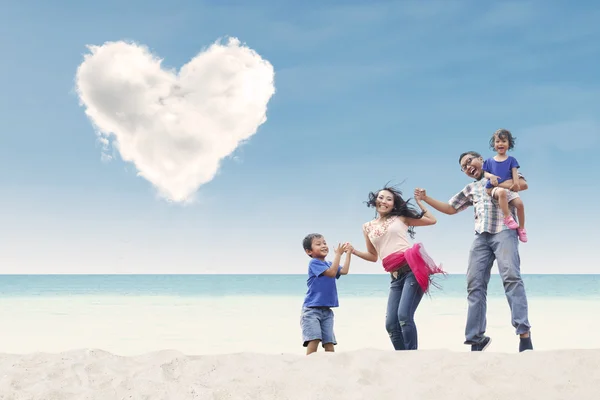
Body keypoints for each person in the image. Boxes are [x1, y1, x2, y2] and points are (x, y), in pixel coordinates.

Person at [415, 150, 533, 352]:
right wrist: (426, 199)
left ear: (481, 160)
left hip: (504, 232)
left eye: (470, 161)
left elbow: (522, 184)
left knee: (511, 278)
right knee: (474, 284)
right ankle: (476, 339)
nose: (468, 166)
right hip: (481, 237)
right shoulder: (470, 188)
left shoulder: (500, 169)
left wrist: (496, 183)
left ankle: (524, 335)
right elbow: (450, 208)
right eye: (464, 167)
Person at [349, 185, 444, 350]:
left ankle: (411, 356)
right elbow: (373, 256)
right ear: (375, 200)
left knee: (404, 316)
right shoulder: (367, 227)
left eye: (388, 199)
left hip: (412, 269)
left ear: (393, 204)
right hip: (394, 277)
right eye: (381, 197)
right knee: (391, 325)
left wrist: (420, 202)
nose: (384, 201)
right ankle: (401, 357)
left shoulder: (401, 218)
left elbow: (432, 220)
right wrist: (354, 251)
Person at [300, 233, 351, 355]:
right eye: (318, 244)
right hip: (311, 310)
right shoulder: (314, 263)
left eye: (324, 243)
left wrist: (348, 254)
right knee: (314, 339)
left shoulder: (329, 264)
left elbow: (344, 271)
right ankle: (309, 364)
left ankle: (331, 366)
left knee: (329, 342)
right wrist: (338, 254)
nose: (323, 246)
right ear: (309, 251)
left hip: (326, 311)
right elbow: (332, 273)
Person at [483, 128, 528, 242]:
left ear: (509, 144)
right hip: (494, 188)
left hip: (509, 189)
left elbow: (514, 173)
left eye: (503, 141)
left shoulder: (512, 160)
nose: (500, 144)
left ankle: (522, 229)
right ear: (494, 144)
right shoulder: (489, 161)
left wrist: (516, 183)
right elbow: (485, 173)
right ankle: (507, 217)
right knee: (501, 193)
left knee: (520, 205)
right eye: (497, 141)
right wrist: (491, 177)